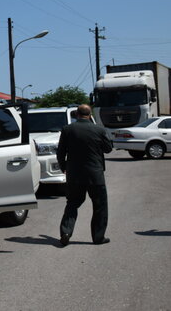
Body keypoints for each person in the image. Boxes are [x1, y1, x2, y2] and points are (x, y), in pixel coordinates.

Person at [57, 104, 113, 246]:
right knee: (100, 206)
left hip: (74, 175)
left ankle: (66, 232)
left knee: (72, 203)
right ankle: (98, 237)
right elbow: (108, 149)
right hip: (95, 175)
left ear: (76, 114)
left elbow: (60, 152)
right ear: (90, 115)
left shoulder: (67, 129)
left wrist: (64, 167)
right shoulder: (99, 130)